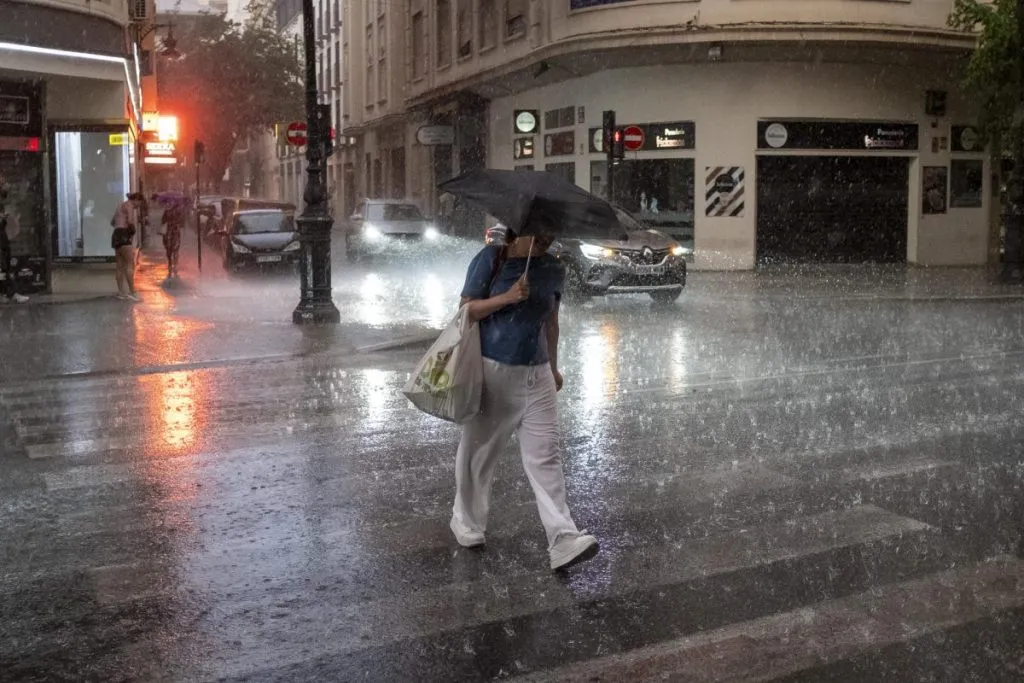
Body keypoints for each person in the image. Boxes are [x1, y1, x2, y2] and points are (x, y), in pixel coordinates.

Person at [452, 227, 599, 571]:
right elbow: (466, 311)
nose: (546, 237)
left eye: (550, 231)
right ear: (519, 229)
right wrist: (508, 297)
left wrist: (555, 367)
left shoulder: (553, 268)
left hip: (539, 374)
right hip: (494, 370)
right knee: (479, 453)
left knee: (545, 456)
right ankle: (466, 520)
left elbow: (551, 322)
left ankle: (563, 538)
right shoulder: (491, 258)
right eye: (539, 230)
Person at [111, 192, 143, 301]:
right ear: (136, 200)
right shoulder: (129, 205)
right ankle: (132, 292)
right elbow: (130, 221)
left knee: (119, 266)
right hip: (124, 234)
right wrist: (132, 229)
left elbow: (112, 222)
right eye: (139, 203)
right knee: (130, 264)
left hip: (116, 234)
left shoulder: (120, 205)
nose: (139, 206)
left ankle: (121, 292)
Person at [0, 187, 29, 304]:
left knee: (4, 268)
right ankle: (10, 293)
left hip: (3, 241)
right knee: (3, 269)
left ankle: (7, 293)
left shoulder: (3, 208)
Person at [160, 201, 184, 278]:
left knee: (170, 249)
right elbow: (182, 223)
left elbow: (163, 221)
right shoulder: (177, 211)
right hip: (173, 232)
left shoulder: (168, 211)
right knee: (174, 249)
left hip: (170, 232)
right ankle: (174, 265)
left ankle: (171, 264)